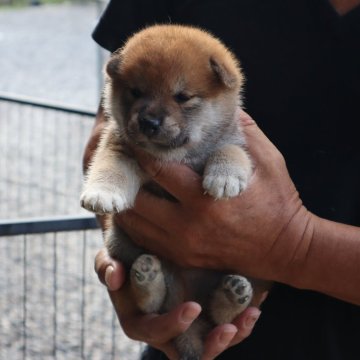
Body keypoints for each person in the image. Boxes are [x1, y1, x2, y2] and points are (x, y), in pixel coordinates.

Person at [84, 0, 360, 359]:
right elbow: (106, 134)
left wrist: (293, 247)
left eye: (183, 98)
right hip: (179, 327)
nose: (152, 116)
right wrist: (127, 251)